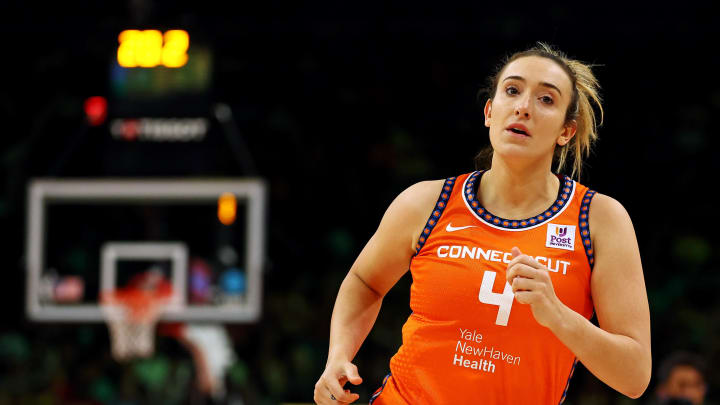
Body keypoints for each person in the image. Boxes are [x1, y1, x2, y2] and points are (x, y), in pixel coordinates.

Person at [313, 43, 651, 404]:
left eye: (546, 100)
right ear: (490, 112)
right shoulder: (427, 203)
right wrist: (337, 356)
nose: (523, 107)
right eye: (512, 90)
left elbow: (634, 377)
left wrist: (557, 314)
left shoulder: (600, 219)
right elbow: (365, 282)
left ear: (566, 132)